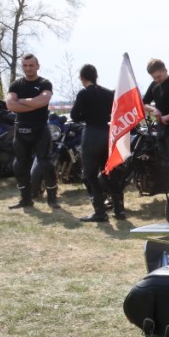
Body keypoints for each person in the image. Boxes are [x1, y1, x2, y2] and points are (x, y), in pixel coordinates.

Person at [70, 64, 122, 222]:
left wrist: (85, 116)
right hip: (107, 133)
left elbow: (74, 115)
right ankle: (119, 210)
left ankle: (100, 211)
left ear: (82, 78)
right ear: (96, 76)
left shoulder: (83, 93)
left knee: (89, 175)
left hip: (91, 134)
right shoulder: (108, 93)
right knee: (109, 173)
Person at [6, 53, 57, 209]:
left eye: (31, 65)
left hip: (40, 129)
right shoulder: (16, 85)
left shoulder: (44, 83)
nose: (28, 68)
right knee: (19, 165)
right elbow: (10, 105)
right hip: (21, 129)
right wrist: (33, 104)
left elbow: (43, 100)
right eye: (25, 65)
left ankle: (52, 199)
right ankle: (25, 199)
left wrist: (21, 101)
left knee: (46, 164)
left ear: (37, 66)